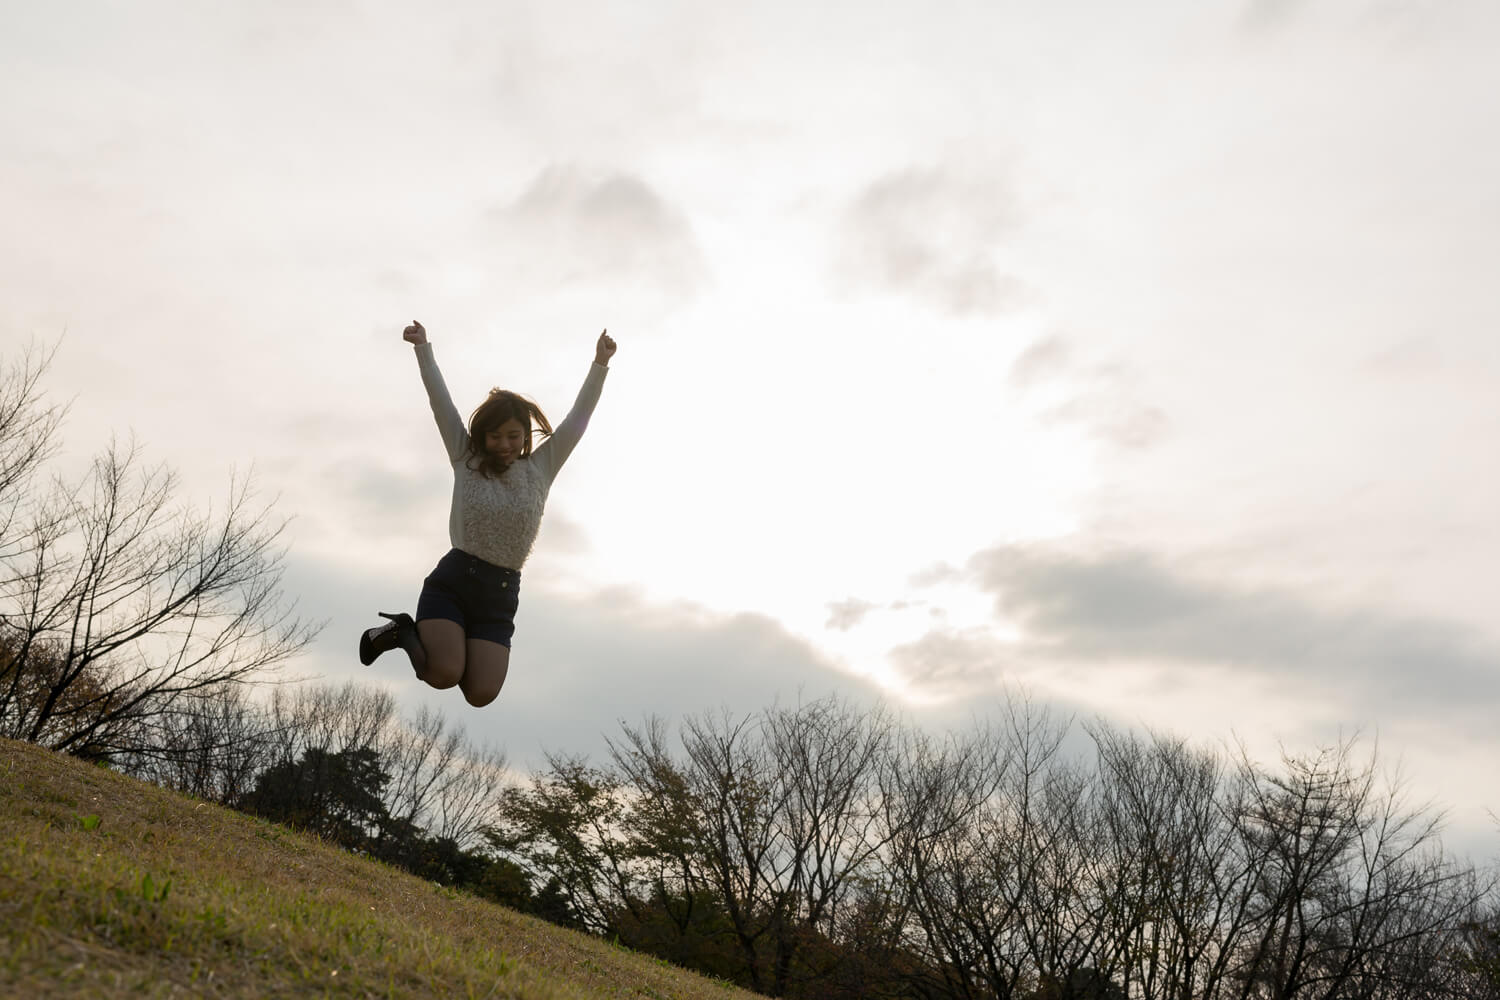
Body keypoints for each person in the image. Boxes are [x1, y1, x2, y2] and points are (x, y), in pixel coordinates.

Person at [358, 320, 616, 706]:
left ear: (526, 435)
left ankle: (442, 644)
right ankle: (402, 634)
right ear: (482, 437)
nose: (504, 444)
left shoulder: (540, 469)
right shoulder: (466, 458)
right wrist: (423, 349)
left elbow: (577, 422)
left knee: (481, 694)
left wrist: (599, 364)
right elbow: (440, 404)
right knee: (445, 674)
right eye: (495, 437)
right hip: (455, 582)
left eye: (513, 436)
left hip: (500, 596)